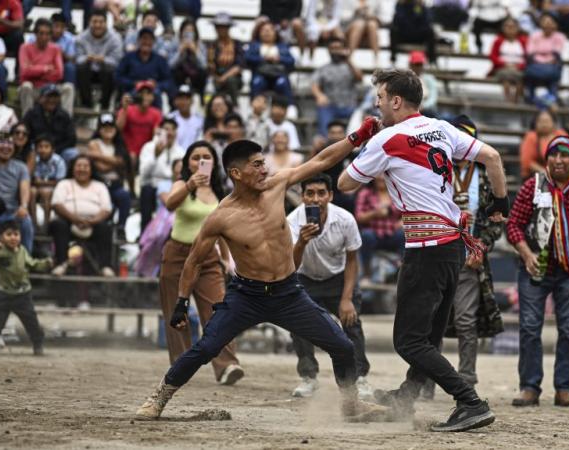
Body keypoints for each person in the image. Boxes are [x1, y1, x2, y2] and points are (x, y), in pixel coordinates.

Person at [134, 131, 394, 422]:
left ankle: (351, 405)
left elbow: (321, 160)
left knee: (343, 346)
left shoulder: (277, 185)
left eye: (263, 163)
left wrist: (356, 138)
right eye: (256, 165)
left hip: (288, 293)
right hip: (247, 295)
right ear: (236, 173)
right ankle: (159, 397)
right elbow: (193, 261)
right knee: (206, 346)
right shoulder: (222, 216)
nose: (264, 169)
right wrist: (182, 301)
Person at [337, 69, 508, 432]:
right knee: (429, 336)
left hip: (425, 248)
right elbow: (492, 157)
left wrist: (361, 141)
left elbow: (345, 183)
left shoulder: (387, 139)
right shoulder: (443, 128)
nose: (377, 105)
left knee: (409, 341)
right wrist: (500, 205)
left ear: (396, 101)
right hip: (451, 248)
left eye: (380, 98)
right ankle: (406, 397)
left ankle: (470, 401)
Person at [506, 135, 569, 408]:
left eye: (565, 155)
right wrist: (526, 253)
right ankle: (529, 386)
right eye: (553, 154)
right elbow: (513, 224)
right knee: (529, 328)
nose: (558, 160)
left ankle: (564, 388)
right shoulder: (533, 186)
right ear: (547, 158)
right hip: (535, 268)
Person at [157, 141, 244, 384]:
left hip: (207, 258)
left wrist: (227, 259)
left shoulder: (219, 191)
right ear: (187, 162)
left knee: (218, 311)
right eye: (195, 157)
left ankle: (227, 365)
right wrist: (189, 184)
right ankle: (181, 366)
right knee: (176, 313)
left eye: (206, 157)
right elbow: (170, 204)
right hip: (176, 255)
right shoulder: (181, 185)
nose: (200, 161)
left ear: (215, 163)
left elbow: (221, 229)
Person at [287, 173, 373, 399]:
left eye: (321, 193)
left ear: (330, 195)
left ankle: (359, 377)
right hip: (305, 277)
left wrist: (346, 299)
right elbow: (291, 265)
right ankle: (308, 377)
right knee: (298, 323)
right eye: (310, 193)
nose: (316, 199)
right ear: (302, 196)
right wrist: (301, 242)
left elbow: (353, 260)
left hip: (338, 277)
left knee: (351, 322)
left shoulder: (345, 219)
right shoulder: (292, 221)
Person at [445, 115, 505, 390]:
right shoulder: (434, 169)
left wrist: (482, 245)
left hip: (470, 257)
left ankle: (466, 378)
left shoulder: (486, 177)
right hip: (437, 251)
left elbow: (497, 220)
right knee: (430, 318)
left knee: (465, 319)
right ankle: (423, 380)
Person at [0, 220, 51, 355]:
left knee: (31, 322)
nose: (13, 237)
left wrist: (45, 264)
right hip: (3, 294)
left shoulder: (22, 251)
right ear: (1, 237)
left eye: (16, 234)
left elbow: (33, 264)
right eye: (9, 234)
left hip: (23, 294)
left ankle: (38, 344)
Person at [49, 156, 115, 277]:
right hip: (68, 221)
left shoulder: (100, 186)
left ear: (91, 169)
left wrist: (91, 222)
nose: (82, 169)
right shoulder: (64, 184)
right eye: (79, 166)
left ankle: (105, 266)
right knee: (58, 224)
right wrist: (75, 219)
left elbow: (106, 209)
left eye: (85, 166)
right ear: (73, 169)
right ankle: (61, 264)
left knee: (105, 228)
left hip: (94, 223)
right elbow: (57, 204)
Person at [86, 113, 133, 236]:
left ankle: (121, 227)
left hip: (116, 184)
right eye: (104, 127)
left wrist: (98, 156)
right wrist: (115, 161)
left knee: (125, 196)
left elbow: (123, 161)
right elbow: (100, 167)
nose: (108, 130)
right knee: (108, 206)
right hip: (99, 184)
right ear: (99, 129)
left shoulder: (119, 144)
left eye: (111, 126)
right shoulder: (94, 143)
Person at [18, 19, 74, 117]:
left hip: (51, 89)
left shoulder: (56, 48)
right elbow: (24, 72)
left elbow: (59, 74)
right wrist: (45, 69)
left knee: (68, 88)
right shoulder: (25, 48)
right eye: (41, 33)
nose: (44, 37)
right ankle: (27, 121)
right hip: (33, 89)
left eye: (47, 34)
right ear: (35, 34)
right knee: (26, 86)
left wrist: (34, 70)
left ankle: (66, 121)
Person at [139, 118, 186, 232]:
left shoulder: (181, 151)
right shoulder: (149, 147)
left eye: (173, 129)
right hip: (152, 185)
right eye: (166, 129)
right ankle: (145, 233)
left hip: (172, 186)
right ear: (160, 131)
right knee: (147, 191)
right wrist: (155, 156)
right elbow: (143, 174)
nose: (170, 132)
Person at [354, 176, 404, 280]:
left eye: (384, 175)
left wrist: (402, 221)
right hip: (374, 235)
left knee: (404, 234)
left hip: (392, 234)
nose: (381, 178)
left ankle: (401, 269)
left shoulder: (396, 194)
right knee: (366, 235)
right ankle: (367, 273)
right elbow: (358, 217)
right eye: (379, 175)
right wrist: (375, 214)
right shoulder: (365, 193)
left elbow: (406, 213)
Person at [312, 37, 362, 137]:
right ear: (329, 50)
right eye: (333, 48)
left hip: (350, 107)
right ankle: (326, 140)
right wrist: (319, 95)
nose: (335, 51)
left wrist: (348, 59)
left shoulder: (350, 67)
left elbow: (359, 78)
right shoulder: (323, 68)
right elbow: (314, 84)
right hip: (330, 106)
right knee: (322, 108)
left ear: (343, 49)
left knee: (361, 114)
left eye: (338, 48)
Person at [76, 9, 123, 110]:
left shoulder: (115, 38)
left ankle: (105, 106)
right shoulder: (81, 38)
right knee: (81, 68)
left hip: (105, 72)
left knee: (109, 70)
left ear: (106, 23)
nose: (97, 25)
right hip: (88, 71)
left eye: (101, 22)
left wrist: (103, 60)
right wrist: (87, 58)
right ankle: (87, 104)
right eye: (94, 22)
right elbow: (77, 59)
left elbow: (117, 61)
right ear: (89, 23)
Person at [116, 27, 174, 108]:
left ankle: (158, 119)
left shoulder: (160, 60)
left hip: (153, 93)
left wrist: (156, 85)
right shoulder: (128, 57)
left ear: (154, 42)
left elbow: (168, 81)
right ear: (138, 40)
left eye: (150, 39)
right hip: (133, 91)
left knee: (156, 94)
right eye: (144, 38)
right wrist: (134, 83)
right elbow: (118, 77)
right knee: (127, 98)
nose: (146, 42)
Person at [23, 84, 79, 163]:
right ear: (41, 98)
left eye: (55, 97)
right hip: (37, 149)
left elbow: (71, 138)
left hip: (58, 150)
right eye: (48, 96)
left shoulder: (64, 115)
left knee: (72, 153)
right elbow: (26, 135)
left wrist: (54, 150)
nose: (52, 100)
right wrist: (40, 148)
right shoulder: (31, 114)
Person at [246, 21, 296, 104]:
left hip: (278, 74)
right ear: (259, 33)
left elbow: (291, 60)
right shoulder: (254, 45)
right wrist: (263, 58)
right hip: (260, 74)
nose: (267, 33)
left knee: (282, 83)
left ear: (275, 33)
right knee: (257, 82)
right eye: (264, 30)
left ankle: (289, 107)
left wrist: (279, 59)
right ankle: (254, 106)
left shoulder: (282, 46)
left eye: (269, 30)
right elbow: (248, 58)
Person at [116, 80, 163, 168]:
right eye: (142, 93)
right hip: (126, 151)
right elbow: (118, 128)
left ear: (152, 97)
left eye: (148, 93)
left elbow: (156, 134)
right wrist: (124, 109)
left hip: (146, 152)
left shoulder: (156, 113)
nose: (145, 96)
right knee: (131, 157)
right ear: (136, 95)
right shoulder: (127, 109)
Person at [524, 12, 566, 108]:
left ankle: (552, 100)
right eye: (545, 21)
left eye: (550, 22)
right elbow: (530, 52)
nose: (548, 24)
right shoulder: (534, 35)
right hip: (536, 64)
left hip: (550, 65)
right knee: (530, 76)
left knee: (552, 78)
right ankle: (530, 98)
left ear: (556, 24)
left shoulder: (560, 36)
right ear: (540, 23)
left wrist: (543, 58)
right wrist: (543, 59)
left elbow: (556, 53)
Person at [30, 134, 67, 229]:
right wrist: (42, 182)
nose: (43, 150)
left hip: (53, 188)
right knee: (32, 192)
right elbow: (34, 179)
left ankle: (46, 224)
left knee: (46, 192)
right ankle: (34, 223)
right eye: (40, 147)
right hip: (38, 187)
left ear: (53, 149)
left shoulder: (58, 161)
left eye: (46, 147)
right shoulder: (35, 160)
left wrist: (42, 183)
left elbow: (59, 181)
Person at [519, 109, 569, 179]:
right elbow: (528, 162)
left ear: (554, 123)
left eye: (547, 121)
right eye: (541, 122)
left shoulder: (561, 134)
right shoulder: (531, 137)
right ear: (535, 123)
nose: (544, 124)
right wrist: (547, 174)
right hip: (536, 177)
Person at [208, 13, 245, 104]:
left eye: (223, 27)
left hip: (233, 78)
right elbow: (210, 65)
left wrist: (223, 78)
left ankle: (235, 105)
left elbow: (239, 65)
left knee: (231, 81)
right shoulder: (212, 45)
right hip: (216, 77)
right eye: (218, 27)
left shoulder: (236, 44)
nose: (221, 30)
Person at [488, 17, 527, 104]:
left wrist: (519, 66)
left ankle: (517, 100)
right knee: (506, 77)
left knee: (521, 78)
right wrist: (504, 64)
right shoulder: (498, 40)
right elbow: (492, 56)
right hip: (502, 68)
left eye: (513, 26)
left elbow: (528, 57)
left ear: (518, 28)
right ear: (503, 28)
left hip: (519, 68)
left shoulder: (524, 40)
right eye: (507, 26)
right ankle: (508, 101)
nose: (510, 29)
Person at [165, 19, 207, 98]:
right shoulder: (175, 43)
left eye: (191, 31)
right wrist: (180, 52)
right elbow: (170, 65)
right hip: (180, 75)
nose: (188, 33)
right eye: (186, 31)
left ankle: (202, 100)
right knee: (174, 74)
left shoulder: (200, 44)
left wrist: (195, 51)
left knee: (203, 74)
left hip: (195, 76)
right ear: (181, 32)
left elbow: (204, 66)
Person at [389, 0, 437, 65]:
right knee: (393, 30)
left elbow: (428, 21)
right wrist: (402, 4)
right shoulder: (400, 5)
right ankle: (393, 59)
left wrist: (421, 6)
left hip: (418, 35)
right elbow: (397, 20)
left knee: (430, 31)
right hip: (404, 35)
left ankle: (432, 61)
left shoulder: (421, 6)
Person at [343, 0, 384, 65]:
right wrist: (355, 12)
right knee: (360, 24)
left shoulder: (376, 1)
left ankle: (377, 59)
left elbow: (383, 17)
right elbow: (341, 16)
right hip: (351, 30)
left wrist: (372, 16)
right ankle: (349, 58)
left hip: (369, 32)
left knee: (372, 24)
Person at [167, 85, 204, 150]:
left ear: (192, 101)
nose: (183, 102)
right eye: (180, 98)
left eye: (187, 98)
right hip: (175, 157)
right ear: (175, 101)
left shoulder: (200, 119)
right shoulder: (169, 118)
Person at [49, 13, 77, 86]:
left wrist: (59, 53)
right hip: (44, 65)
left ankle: (70, 90)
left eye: (62, 27)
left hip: (63, 64)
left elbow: (72, 59)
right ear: (50, 25)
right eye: (56, 26)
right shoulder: (40, 35)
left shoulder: (69, 38)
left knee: (70, 66)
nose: (59, 30)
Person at [408, 51, 438, 117]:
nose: (418, 67)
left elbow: (433, 98)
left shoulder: (429, 79)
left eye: (420, 64)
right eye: (416, 64)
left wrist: (423, 106)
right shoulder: (406, 79)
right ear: (410, 64)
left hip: (426, 111)